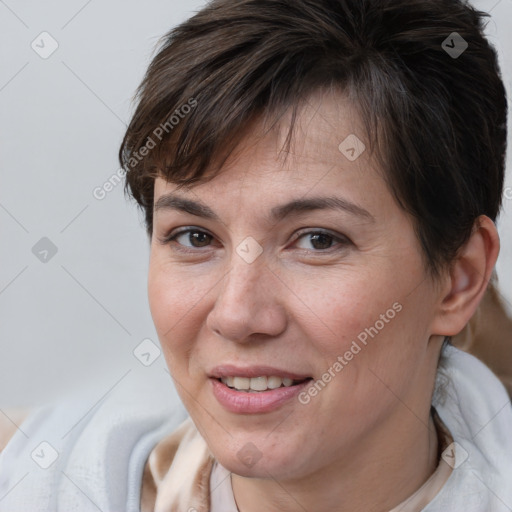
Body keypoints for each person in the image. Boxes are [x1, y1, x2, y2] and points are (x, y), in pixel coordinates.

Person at [1, 0, 512, 511]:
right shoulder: (37, 481)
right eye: (196, 237)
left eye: (317, 240)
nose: (236, 315)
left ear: (459, 279)